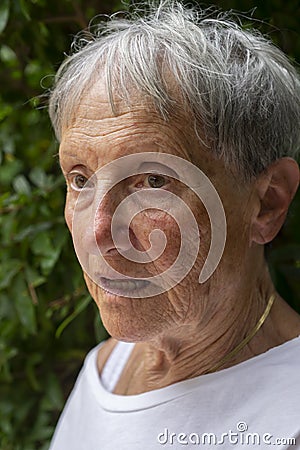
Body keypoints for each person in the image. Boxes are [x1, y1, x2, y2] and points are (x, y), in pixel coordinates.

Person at [48, 2, 300, 449]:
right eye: (81, 179)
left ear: (267, 203)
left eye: (154, 181)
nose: (97, 233)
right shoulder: (105, 370)